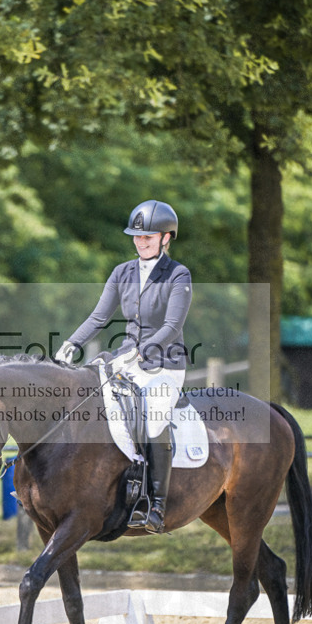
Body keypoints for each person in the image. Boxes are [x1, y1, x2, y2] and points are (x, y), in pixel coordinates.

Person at [55, 199, 192, 533]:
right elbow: (98, 317)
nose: (140, 242)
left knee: (154, 417)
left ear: (166, 238)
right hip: (126, 357)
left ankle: (157, 505)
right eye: (137, 236)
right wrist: (72, 344)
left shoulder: (178, 274)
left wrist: (141, 352)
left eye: (148, 237)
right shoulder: (122, 272)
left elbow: (172, 326)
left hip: (164, 363)